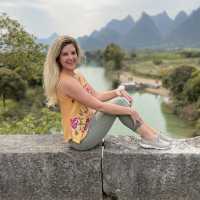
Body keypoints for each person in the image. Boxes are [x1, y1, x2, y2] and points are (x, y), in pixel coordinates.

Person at [43, 35, 171, 151]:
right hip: (80, 139)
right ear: (57, 58)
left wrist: (117, 92)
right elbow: (99, 106)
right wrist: (130, 111)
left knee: (120, 101)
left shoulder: (76, 75)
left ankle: (151, 135)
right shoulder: (66, 82)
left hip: (89, 124)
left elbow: (96, 96)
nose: (71, 57)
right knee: (120, 105)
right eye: (65, 54)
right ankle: (149, 137)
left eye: (73, 52)